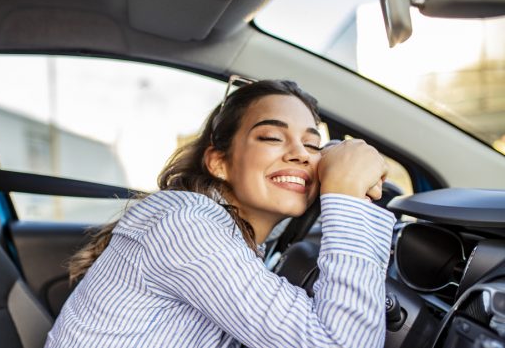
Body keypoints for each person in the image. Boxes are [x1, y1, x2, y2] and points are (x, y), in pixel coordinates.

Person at [45, 80, 395, 348]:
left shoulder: (234, 230)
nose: (301, 155)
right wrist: (346, 194)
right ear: (219, 163)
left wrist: (338, 166)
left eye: (313, 144)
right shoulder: (187, 225)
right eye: (272, 137)